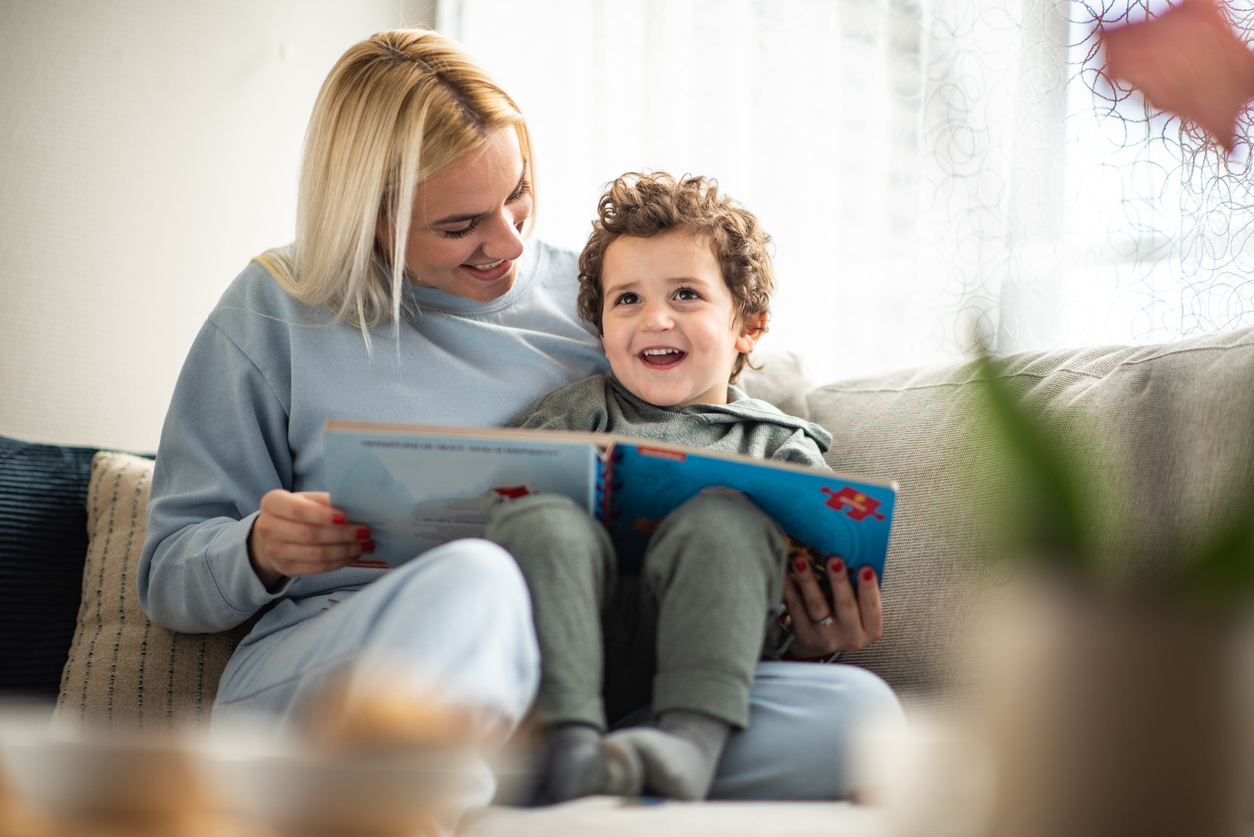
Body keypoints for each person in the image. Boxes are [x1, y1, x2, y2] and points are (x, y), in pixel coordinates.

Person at [137, 28, 897, 813]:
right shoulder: (273, 309)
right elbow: (167, 578)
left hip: (581, 681)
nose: (507, 241)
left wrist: (806, 630)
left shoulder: (603, 294)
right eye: (460, 224)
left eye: (517, 192)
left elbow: (706, 408)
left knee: (861, 717)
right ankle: (440, 794)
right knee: (481, 575)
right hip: (353, 666)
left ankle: (585, 773)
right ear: (371, 218)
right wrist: (259, 549)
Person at [483, 172, 895, 803]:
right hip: (576, 642)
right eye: (627, 300)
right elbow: (489, 512)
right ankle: (568, 744)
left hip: (715, 660)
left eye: (684, 294)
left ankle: (689, 745)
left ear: (747, 328)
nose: (654, 319)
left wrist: (820, 632)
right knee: (537, 519)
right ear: (600, 327)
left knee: (725, 521)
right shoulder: (575, 411)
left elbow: (825, 564)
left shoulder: (779, 446)